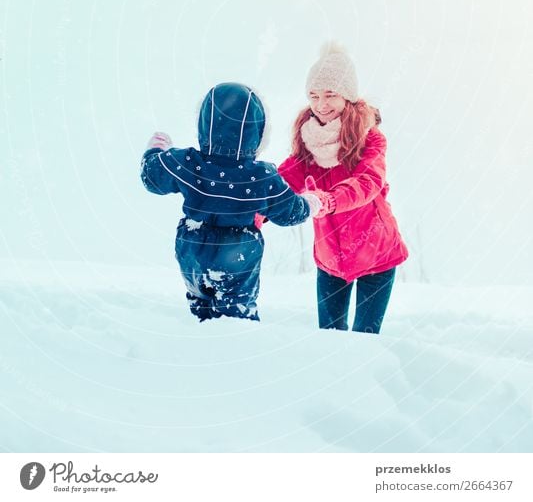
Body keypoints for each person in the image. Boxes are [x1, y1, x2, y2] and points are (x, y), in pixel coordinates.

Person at [140, 82, 324, 322]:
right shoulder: (260, 176)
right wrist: (310, 203)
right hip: (237, 251)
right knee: (237, 312)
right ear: (256, 133)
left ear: (205, 125)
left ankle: (202, 328)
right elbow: (289, 212)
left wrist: (155, 150)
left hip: (191, 245)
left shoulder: (188, 163)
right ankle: (236, 343)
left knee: (200, 303)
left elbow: (152, 176)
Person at [278, 43, 408, 334]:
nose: (321, 104)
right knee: (330, 340)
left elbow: (368, 183)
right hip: (330, 259)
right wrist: (254, 214)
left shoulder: (370, 139)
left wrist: (327, 201)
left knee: (364, 340)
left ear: (347, 96)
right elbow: (280, 183)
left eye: (330, 95)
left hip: (376, 254)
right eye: (314, 96)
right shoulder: (307, 144)